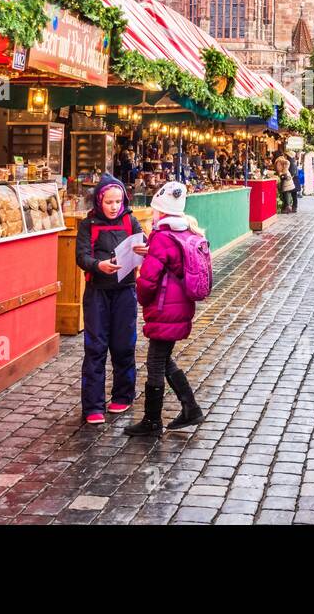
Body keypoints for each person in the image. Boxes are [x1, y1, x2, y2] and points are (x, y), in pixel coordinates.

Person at [124, 181, 206, 437]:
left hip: (164, 308)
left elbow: (148, 281)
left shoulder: (161, 237)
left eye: (154, 211)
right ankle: (189, 407)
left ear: (161, 213)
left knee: (155, 362)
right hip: (180, 307)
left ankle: (152, 420)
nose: (152, 215)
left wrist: (140, 292)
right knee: (163, 357)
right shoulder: (187, 232)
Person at [75, 174, 147, 425]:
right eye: (109, 202)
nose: (115, 206)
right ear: (99, 201)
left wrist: (145, 251)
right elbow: (81, 256)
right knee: (95, 348)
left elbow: (145, 244)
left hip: (125, 291)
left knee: (124, 345)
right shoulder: (88, 225)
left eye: (118, 201)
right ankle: (93, 405)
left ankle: (123, 395)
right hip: (97, 293)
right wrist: (98, 265)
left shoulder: (131, 221)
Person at [274, 149, 297, 213]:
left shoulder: (280, 159)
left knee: (286, 192)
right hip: (285, 177)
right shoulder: (282, 159)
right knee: (285, 192)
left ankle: (287, 207)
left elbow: (287, 163)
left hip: (285, 177)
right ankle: (287, 207)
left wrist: (284, 171)